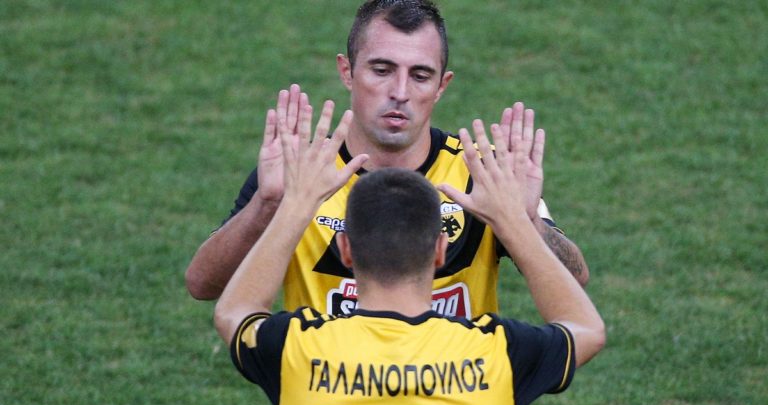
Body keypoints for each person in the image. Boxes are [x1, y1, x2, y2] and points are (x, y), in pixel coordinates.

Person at [213, 100, 605, 405]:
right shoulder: (496, 352)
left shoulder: (297, 348)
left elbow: (235, 310)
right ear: (440, 251)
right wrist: (517, 222)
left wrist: (293, 207)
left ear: (346, 250)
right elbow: (585, 328)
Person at [188, 0, 590, 319]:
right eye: (382, 70)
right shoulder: (300, 171)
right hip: (329, 395)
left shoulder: (484, 174)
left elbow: (576, 282)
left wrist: (527, 223)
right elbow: (202, 285)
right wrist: (268, 205)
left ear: (442, 85)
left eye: (420, 75)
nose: (399, 91)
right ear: (347, 71)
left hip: (454, 395)